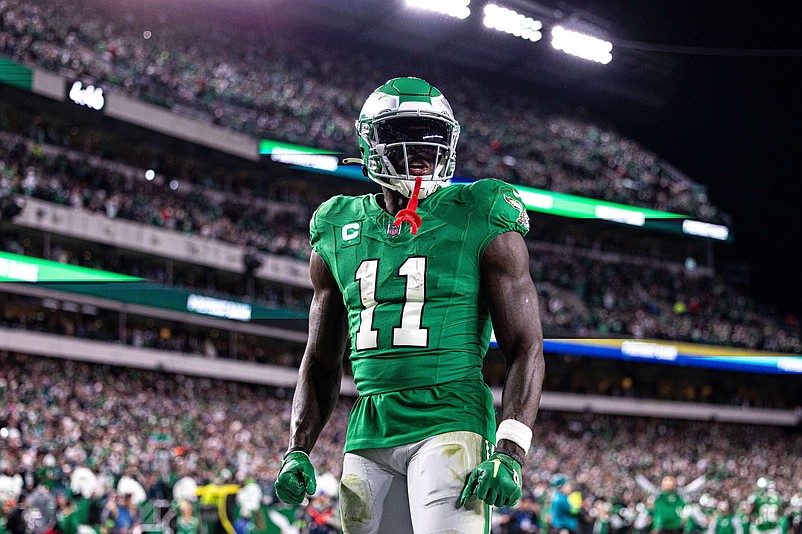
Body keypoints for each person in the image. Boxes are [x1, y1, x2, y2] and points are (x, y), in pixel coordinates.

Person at [274, 76, 545, 533]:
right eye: (404, 133)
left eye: (434, 136)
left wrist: (511, 449)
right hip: (369, 427)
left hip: (451, 416)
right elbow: (320, 358)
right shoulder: (336, 227)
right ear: (369, 143)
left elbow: (526, 345)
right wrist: (298, 447)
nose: (422, 148)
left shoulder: (481, 211)